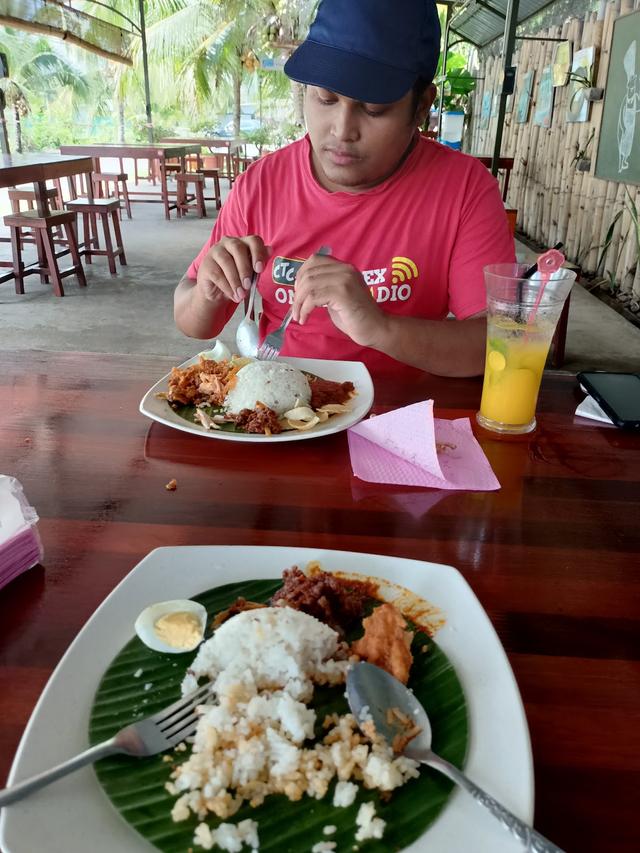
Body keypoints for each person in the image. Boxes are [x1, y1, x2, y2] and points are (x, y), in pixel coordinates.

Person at [174, 0, 515, 377]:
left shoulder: (463, 187)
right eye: (325, 98)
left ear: (422, 108)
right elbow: (194, 324)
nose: (341, 130)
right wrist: (208, 289)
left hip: (401, 418)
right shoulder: (261, 184)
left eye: (373, 109)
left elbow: (497, 346)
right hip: (277, 406)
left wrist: (380, 328)